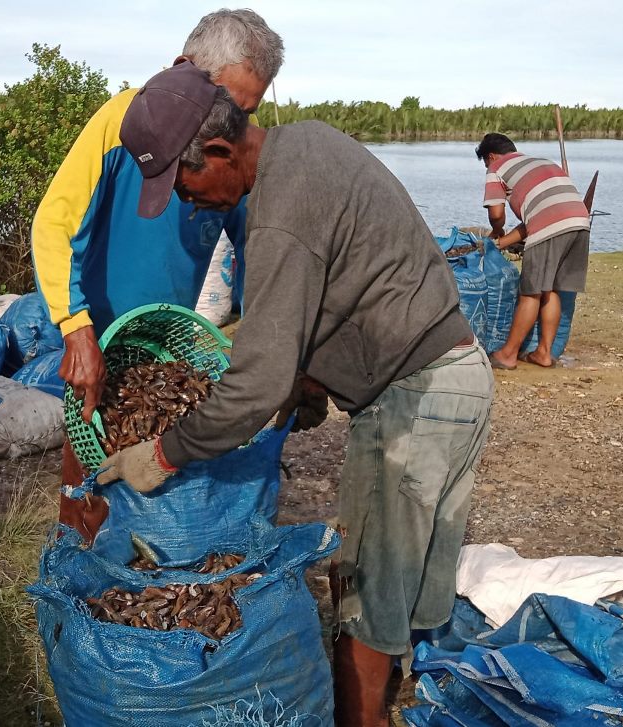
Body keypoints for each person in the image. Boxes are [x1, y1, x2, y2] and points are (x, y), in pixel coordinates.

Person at [98, 64, 494, 727]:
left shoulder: (279, 213)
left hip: (414, 402)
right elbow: (352, 279)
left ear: (221, 151)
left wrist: (163, 453)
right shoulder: (309, 141)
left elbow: (255, 380)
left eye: (186, 182)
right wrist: (310, 379)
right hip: (458, 379)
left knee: (361, 600)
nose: (189, 201)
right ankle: (402, 700)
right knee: (404, 593)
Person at [31, 8, 285, 539]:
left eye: (248, 111)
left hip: (170, 338)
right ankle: (78, 557)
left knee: (157, 457)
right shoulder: (124, 120)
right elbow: (53, 224)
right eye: (231, 104)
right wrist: (76, 331)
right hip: (99, 331)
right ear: (185, 70)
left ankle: (154, 555)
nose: (235, 125)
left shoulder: (231, 148)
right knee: (89, 461)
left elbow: (255, 247)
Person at [476, 132, 590, 369]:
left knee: (532, 292)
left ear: (491, 156)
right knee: (553, 289)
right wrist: (502, 243)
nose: (488, 167)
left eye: (486, 162)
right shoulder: (542, 162)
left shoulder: (496, 167)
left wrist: (496, 231)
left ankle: (508, 354)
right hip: (579, 222)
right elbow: (534, 219)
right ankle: (544, 353)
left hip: (551, 225)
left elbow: (496, 214)